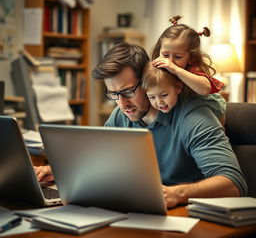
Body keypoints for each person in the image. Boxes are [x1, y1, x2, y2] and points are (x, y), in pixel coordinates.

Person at [36, 42, 247, 208]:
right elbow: (100, 160)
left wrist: (176, 193)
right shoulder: (121, 116)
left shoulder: (193, 116)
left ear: (146, 81)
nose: (122, 104)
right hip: (139, 213)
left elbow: (233, 184)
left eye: (128, 92)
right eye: (114, 94)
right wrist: (62, 170)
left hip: (187, 217)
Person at [152, 15, 226, 123]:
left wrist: (176, 70)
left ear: (191, 58)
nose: (170, 62)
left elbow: (205, 89)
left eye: (178, 57)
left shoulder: (192, 69)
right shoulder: (158, 66)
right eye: (165, 54)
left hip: (208, 108)